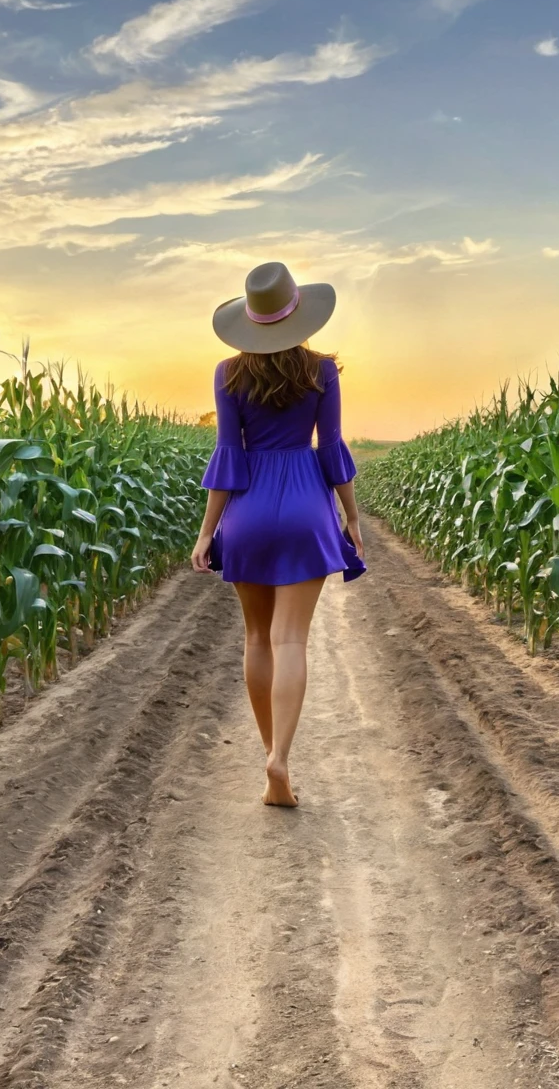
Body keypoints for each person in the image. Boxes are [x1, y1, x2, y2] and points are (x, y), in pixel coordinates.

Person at [191, 260, 366, 808]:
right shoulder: (323, 372)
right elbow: (331, 450)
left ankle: (268, 750)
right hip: (305, 507)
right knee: (291, 640)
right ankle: (281, 758)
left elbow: (229, 454)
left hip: (248, 510)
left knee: (256, 639)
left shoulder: (228, 374)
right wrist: (352, 517)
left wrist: (207, 532)